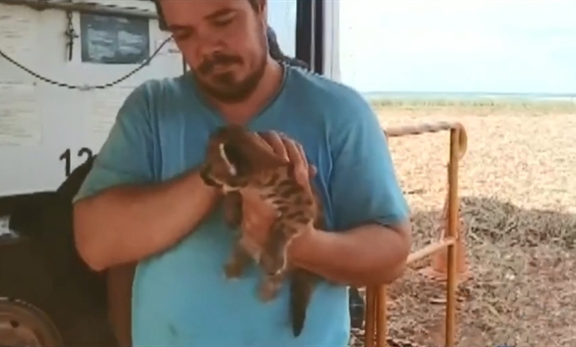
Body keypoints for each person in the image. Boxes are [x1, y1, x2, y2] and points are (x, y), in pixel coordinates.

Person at [72, 1, 412, 346]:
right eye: (184, 33)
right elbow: (96, 245)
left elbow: (392, 254)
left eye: (223, 21)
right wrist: (221, 175)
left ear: (261, 8)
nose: (207, 48)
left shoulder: (338, 112)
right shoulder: (152, 109)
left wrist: (302, 246)